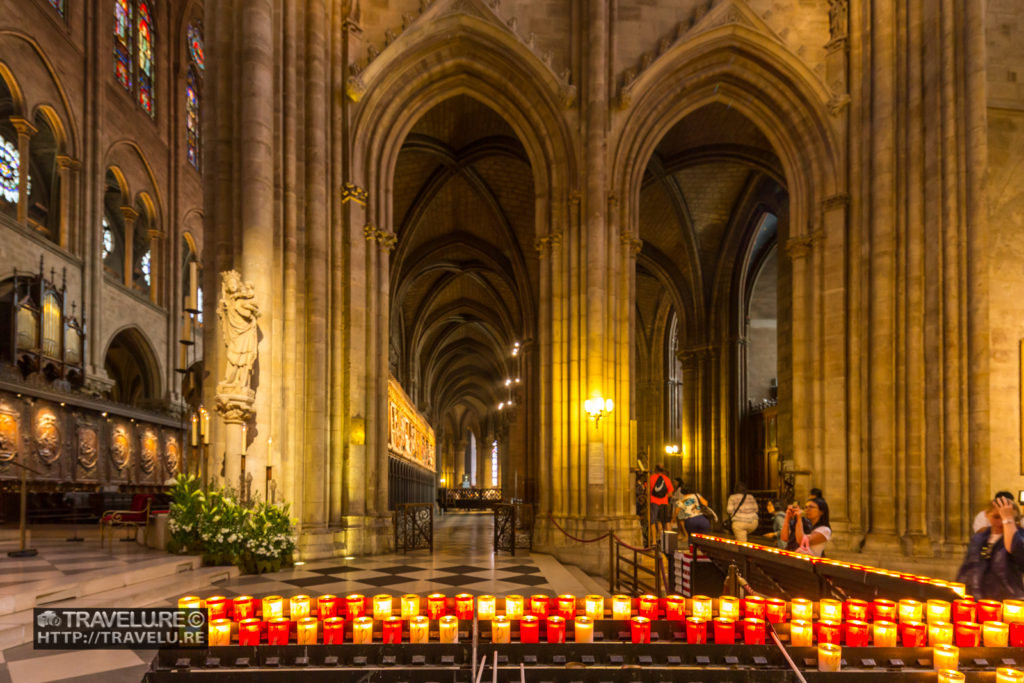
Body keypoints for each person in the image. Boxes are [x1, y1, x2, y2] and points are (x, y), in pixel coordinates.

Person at [957, 495, 1024, 600]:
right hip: (976, 600)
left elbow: (1016, 550)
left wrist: (1008, 520)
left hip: (1006, 601)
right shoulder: (978, 538)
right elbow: (967, 569)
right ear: (988, 515)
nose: (1001, 522)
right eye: (996, 517)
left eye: (1005, 517)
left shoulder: (1019, 537)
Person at [648, 465, 674, 541]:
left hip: (654, 502)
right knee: (666, 521)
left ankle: (654, 541)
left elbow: (648, 491)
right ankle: (669, 541)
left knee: (654, 521)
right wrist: (664, 496)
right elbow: (670, 494)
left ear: (655, 469)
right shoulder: (667, 479)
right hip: (664, 503)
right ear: (663, 471)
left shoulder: (651, 478)